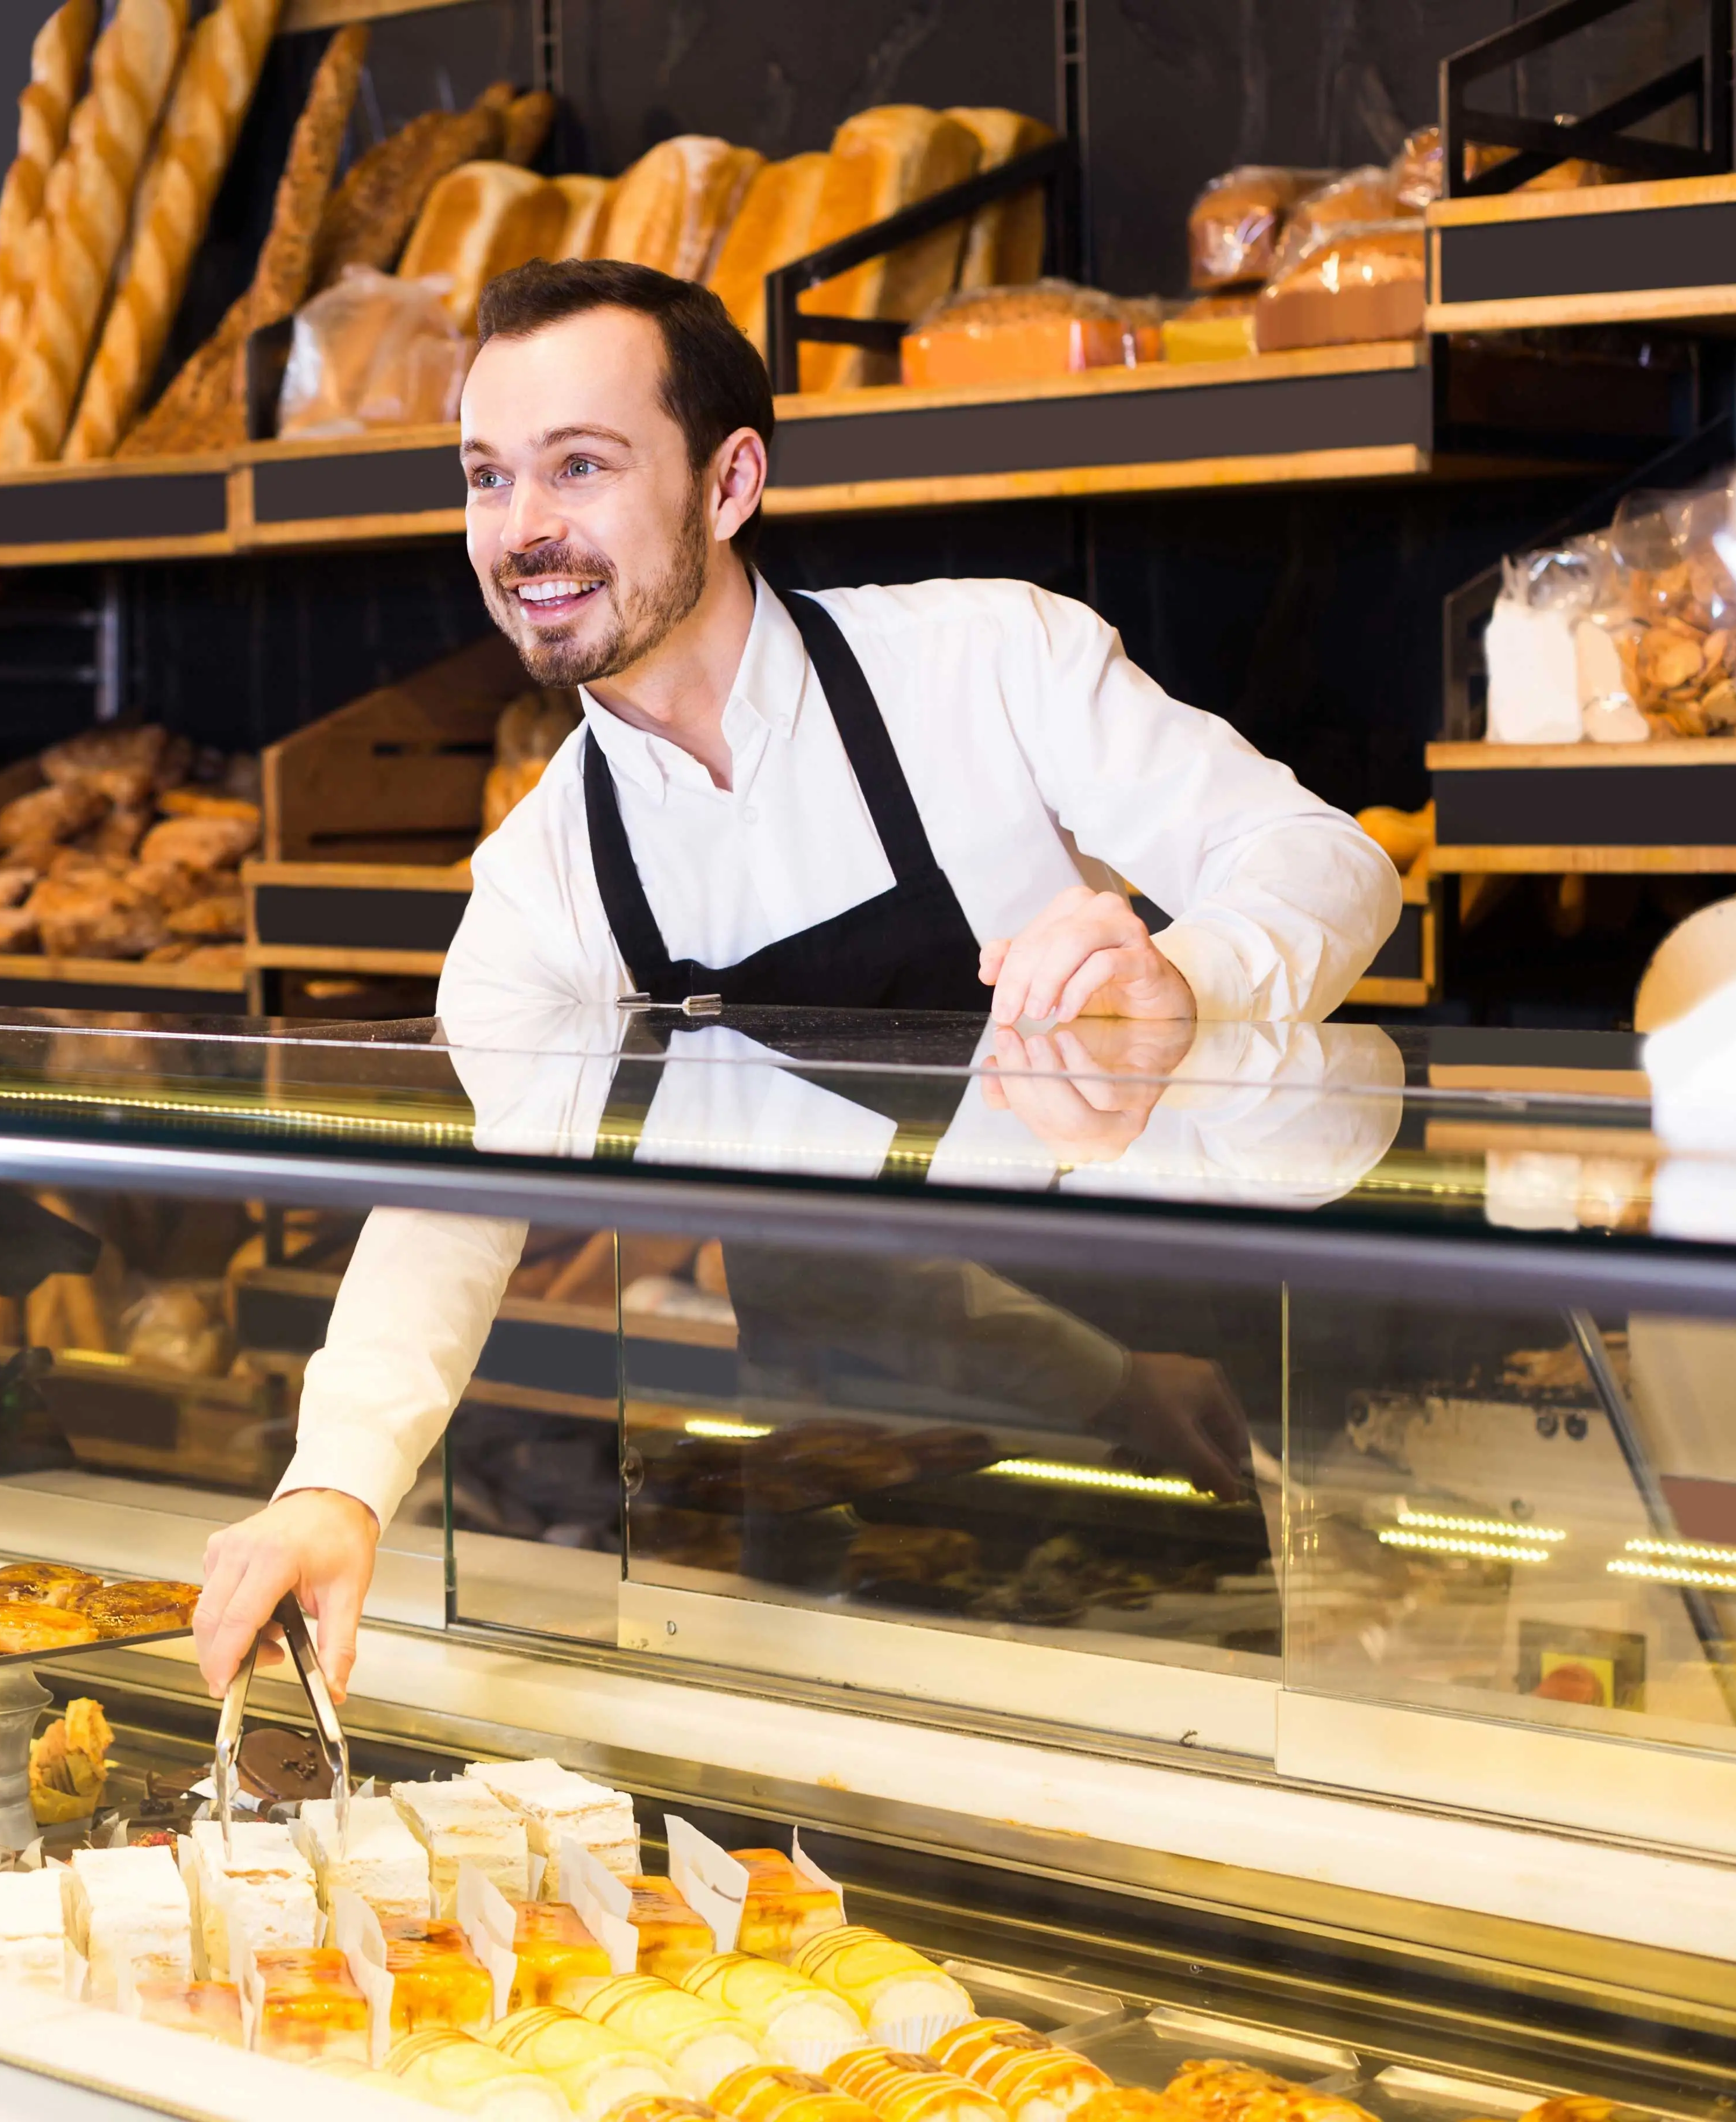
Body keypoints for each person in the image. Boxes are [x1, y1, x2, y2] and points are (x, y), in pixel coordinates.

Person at [193, 258, 1401, 1701]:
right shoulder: (542, 880)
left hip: (1154, 1462)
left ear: (729, 480)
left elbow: (1328, 863)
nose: (524, 530)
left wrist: (1185, 978)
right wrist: (336, 1485)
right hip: (845, 1502)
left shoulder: (986, 667)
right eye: (487, 478)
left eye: (580, 466)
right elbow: (458, 1200)